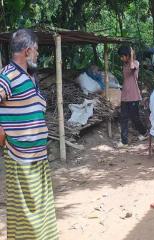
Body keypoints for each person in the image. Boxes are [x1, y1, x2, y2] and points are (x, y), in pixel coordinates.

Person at [0, 29, 58, 239]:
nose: (37, 54)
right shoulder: (7, 76)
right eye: (36, 50)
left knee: (41, 213)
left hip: (37, 158)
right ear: (27, 51)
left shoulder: (29, 76)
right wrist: (2, 137)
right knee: (27, 217)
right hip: (20, 158)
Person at [117, 45, 148, 147]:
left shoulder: (135, 63)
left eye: (122, 56)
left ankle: (144, 132)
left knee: (135, 118)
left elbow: (132, 68)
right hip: (125, 95)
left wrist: (131, 55)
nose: (121, 58)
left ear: (127, 55)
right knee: (124, 118)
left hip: (134, 96)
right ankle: (124, 141)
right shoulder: (124, 65)